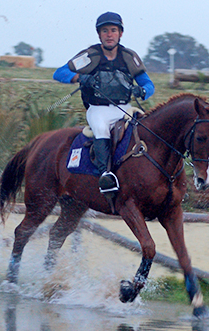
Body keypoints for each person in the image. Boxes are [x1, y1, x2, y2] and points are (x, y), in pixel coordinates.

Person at [53, 11, 155, 194]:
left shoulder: (129, 57)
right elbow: (59, 73)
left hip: (124, 107)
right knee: (100, 128)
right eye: (105, 31)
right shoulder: (90, 56)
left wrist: (143, 91)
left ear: (120, 34)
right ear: (99, 34)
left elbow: (148, 83)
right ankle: (105, 175)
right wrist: (79, 77)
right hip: (97, 109)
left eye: (113, 30)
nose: (109, 34)